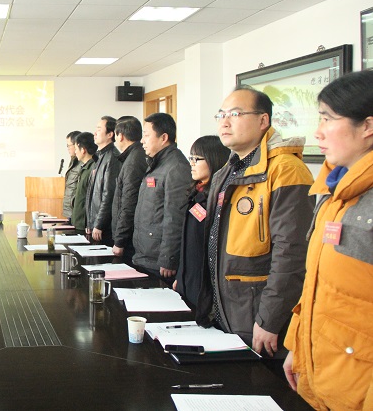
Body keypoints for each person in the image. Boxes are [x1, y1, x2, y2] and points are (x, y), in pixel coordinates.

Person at [196, 87, 314, 358]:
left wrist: (269, 319)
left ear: (263, 120)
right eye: (221, 115)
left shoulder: (286, 170)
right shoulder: (227, 171)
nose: (224, 122)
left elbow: (292, 253)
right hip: (227, 308)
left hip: (259, 314)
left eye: (235, 114)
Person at [283, 71, 373, 410]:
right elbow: (317, 286)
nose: (318, 132)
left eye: (328, 118)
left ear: (367, 126)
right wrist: (297, 347)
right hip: (325, 377)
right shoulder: (333, 193)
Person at [132, 113, 192, 283]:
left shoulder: (176, 167)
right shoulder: (157, 163)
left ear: (163, 138)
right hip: (146, 255)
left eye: (146, 135)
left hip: (159, 261)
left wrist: (168, 259)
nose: (142, 141)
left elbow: (175, 217)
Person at [173, 135, 229, 311]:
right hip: (188, 279)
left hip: (204, 285)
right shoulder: (196, 193)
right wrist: (180, 276)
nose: (191, 163)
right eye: (190, 158)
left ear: (214, 160)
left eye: (197, 159)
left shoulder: (219, 199)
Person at [111, 117, 147, 264]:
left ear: (120, 136)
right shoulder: (134, 155)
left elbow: (128, 203)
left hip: (129, 238)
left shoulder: (133, 161)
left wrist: (119, 240)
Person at [86, 116, 120, 245]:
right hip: (95, 224)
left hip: (104, 227)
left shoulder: (112, 157)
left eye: (99, 129)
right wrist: (90, 222)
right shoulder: (100, 156)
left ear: (110, 134)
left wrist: (99, 223)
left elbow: (109, 194)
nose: (95, 133)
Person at [71, 132, 97, 232]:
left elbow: (93, 199)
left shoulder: (93, 168)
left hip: (85, 224)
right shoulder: (85, 167)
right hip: (79, 222)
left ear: (83, 150)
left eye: (76, 149)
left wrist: (90, 224)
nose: (75, 152)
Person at [62, 131, 81, 219]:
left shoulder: (82, 163)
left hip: (76, 211)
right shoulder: (73, 161)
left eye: (69, 145)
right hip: (70, 211)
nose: (68, 148)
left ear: (77, 145)